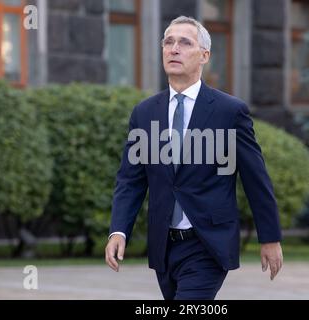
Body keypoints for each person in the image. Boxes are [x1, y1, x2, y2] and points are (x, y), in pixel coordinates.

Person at [105, 16, 283, 300]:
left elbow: (255, 179)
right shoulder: (144, 113)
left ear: (204, 56)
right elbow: (130, 180)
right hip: (164, 246)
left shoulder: (230, 111)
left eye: (185, 42)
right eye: (169, 42)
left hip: (207, 245)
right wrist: (119, 231)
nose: (174, 49)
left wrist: (270, 237)